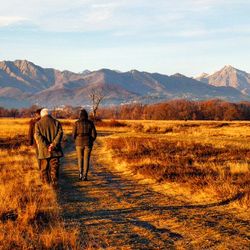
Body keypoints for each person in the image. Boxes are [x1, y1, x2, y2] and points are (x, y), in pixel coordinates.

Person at [34, 108, 63, 187]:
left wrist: (46, 146)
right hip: (55, 150)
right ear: (49, 114)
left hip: (44, 150)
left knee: (44, 168)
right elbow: (60, 134)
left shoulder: (38, 124)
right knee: (54, 168)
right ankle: (55, 183)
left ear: (41, 115)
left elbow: (38, 137)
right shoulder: (57, 123)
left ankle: (46, 185)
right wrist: (53, 144)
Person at [72, 109, 97, 181]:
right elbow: (94, 134)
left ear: (79, 115)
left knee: (80, 158)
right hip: (88, 143)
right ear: (86, 115)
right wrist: (91, 140)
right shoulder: (90, 123)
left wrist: (76, 140)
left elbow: (73, 134)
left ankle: (80, 174)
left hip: (79, 143)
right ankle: (85, 175)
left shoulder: (76, 123)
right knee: (86, 159)